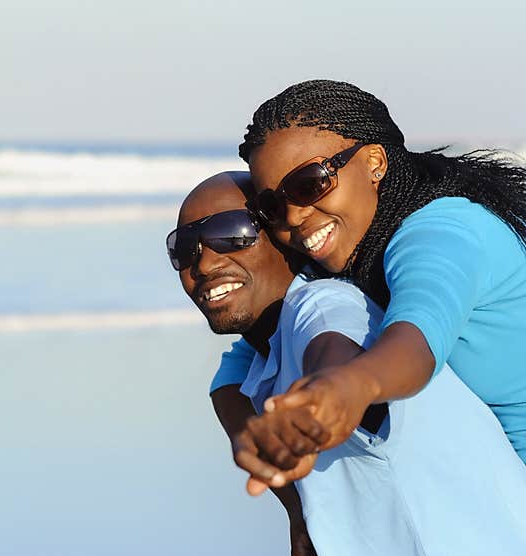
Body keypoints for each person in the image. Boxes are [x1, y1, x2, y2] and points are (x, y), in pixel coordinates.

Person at [171, 170, 526, 556]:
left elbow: (333, 349)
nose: (203, 263)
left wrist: (330, 394)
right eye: (184, 248)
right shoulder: (260, 350)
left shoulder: (325, 303)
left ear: (283, 239)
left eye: (232, 233)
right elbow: (227, 386)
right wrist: (296, 510)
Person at [212, 79, 526, 492]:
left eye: (309, 184)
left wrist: (350, 388)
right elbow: (235, 372)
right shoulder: (353, 249)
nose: (293, 216)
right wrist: (287, 497)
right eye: (272, 205)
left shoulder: (442, 235)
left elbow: (414, 342)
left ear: (375, 162)